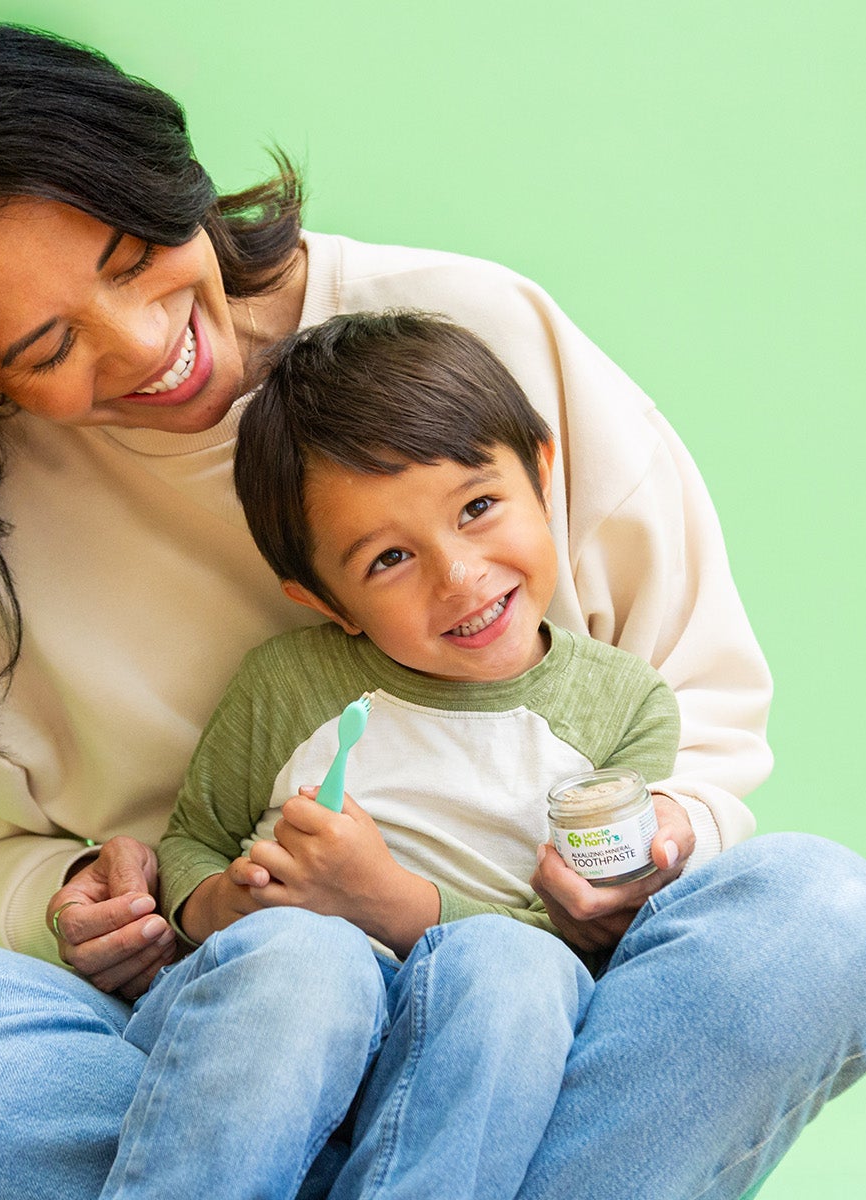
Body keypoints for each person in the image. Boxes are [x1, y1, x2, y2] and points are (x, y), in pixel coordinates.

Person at [0, 13, 866, 1200]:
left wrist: (651, 844)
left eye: (134, 257)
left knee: (820, 917)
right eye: (48, 348)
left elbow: (695, 702)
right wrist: (78, 905)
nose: (146, 343)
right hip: (208, 1043)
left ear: (167, 177)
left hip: (546, 1015)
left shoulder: (472, 329)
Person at [107, 310, 681, 1199]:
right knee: (303, 959)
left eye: (478, 508)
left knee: (518, 968)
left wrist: (390, 901)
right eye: (389, 559)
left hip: (476, 1069)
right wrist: (226, 903)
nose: (458, 576)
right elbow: (192, 842)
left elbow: (588, 942)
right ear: (325, 600)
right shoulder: (289, 685)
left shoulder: (624, 708)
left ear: (542, 474)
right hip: (264, 1050)